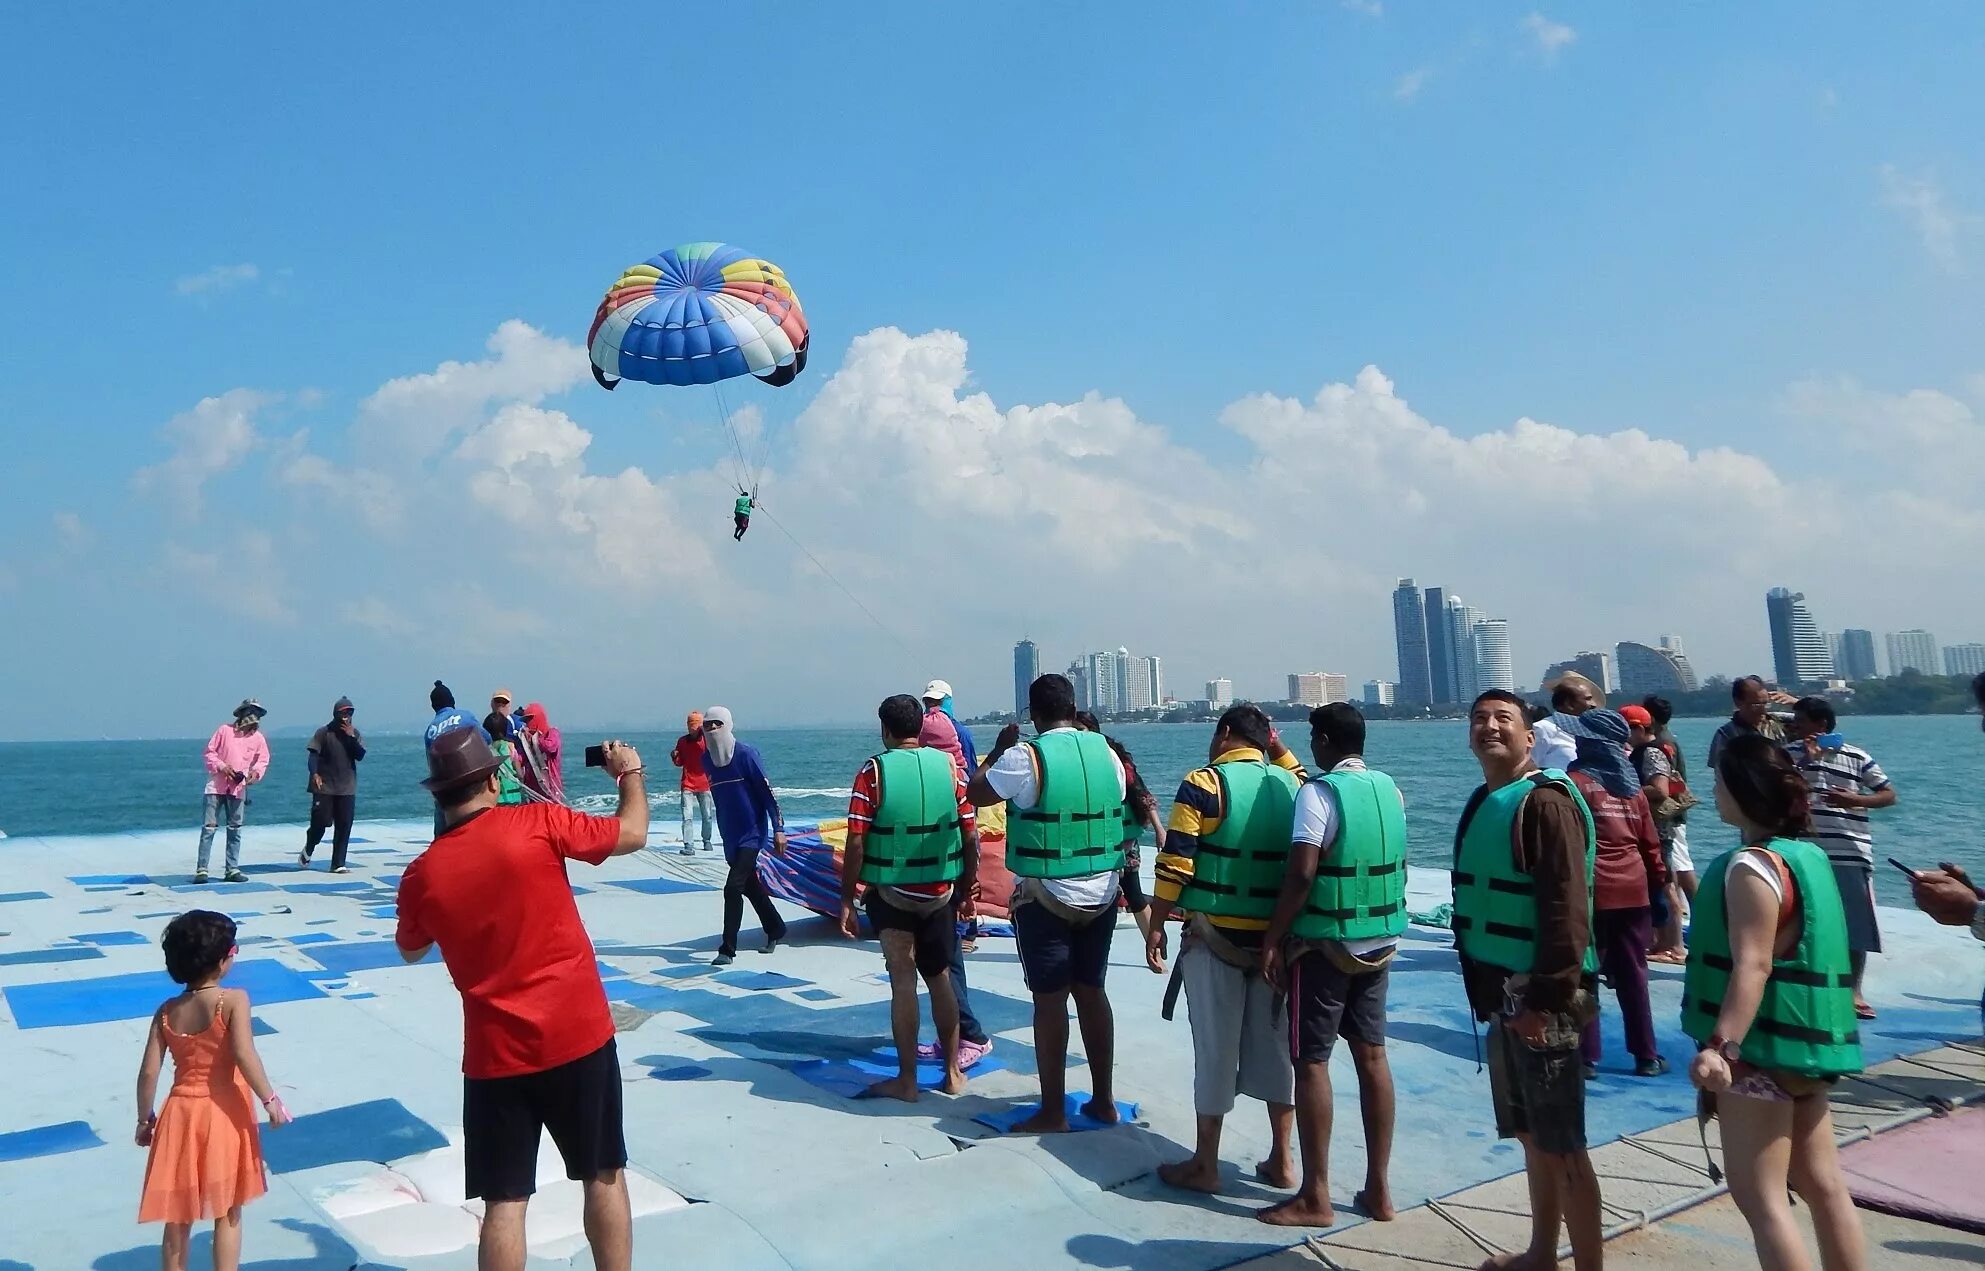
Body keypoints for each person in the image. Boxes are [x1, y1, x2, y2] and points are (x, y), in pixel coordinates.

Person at [394, 729, 651, 1271]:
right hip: (576, 1032)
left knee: (505, 1203)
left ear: (438, 794)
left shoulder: (422, 874)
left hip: (493, 1055)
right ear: (493, 778)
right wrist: (629, 773)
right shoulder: (537, 824)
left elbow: (411, 947)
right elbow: (632, 832)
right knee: (602, 1173)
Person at [1682, 734, 1865, 1271]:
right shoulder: (1807, 856)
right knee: (1824, 1185)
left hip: (1759, 1057)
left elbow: (1753, 965)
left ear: (1743, 791)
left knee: (1762, 1200)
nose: (1712, 791)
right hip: (1808, 1057)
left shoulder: (1750, 868)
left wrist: (1722, 1048)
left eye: (1719, 781)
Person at [1452, 689, 1604, 1271]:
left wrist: (1546, 999)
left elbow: (1567, 912)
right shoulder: (1483, 801)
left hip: (1544, 1000)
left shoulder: (1545, 804)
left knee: (1564, 1146)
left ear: (1529, 736)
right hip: (1504, 994)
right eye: (1479, 720)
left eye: (1503, 719)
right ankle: (1543, 1254)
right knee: (1532, 1137)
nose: (1489, 728)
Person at [1146, 704, 1305, 1193]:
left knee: (1215, 1048)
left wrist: (1156, 922)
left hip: (1215, 935)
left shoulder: (1204, 783)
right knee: (1276, 1049)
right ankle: (1282, 1159)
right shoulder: (1294, 787)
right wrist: (1278, 749)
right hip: (1275, 944)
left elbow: (1177, 861)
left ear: (1225, 734)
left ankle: (1206, 1163)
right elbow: (1302, 776)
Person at [1259, 702, 1406, 1228]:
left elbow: (1301, 874)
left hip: (1326, 947)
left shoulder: (1317, 794)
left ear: (1322, 740)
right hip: (1381, 943)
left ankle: (1316, 1195)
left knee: (1312, 1061)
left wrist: (1273, 939)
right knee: (1372, 1057)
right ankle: (1379, 1190)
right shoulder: (1390, 790)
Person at [967, 673, 1125, 1134]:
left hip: (1048, 896)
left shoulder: (1025, 756)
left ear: (1033, 715)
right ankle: (1104, 1101)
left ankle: (1054, 1111)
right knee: (1092, 991)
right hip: (1103, 892)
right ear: (1074, 710)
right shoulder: (1107, 753)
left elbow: (977, 793)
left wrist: (997, 750)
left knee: (1050, 1000)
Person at [837, 693, 981, 1100]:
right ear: (919, 728)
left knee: (903, 982)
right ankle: (952, 1073)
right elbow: (969, 833)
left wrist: (847, 899)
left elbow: (856, 843)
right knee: (940, 980)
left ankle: (907, 1081)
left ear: (885, 729)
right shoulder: (950, 769)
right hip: (942, 893)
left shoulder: (873, 772)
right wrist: (969, 886)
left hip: (893, 895)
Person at [135, 910, 291, 1270]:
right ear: (222, 961)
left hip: (179, 1113)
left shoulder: (166, 1012)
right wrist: (270, 1099)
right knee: (228, 1208)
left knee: (177, 1214)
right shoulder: (233, 1000)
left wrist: (145, 1119)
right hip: (223, 1112)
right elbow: (244, 1053)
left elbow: (148, 1072)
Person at [1563, 709, 1669, 1078]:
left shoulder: (1573, 784)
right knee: (1634, 977)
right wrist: (1659, 897)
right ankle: (1646, 1055)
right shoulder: (1634, 791)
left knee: (1585, 974)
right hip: (1634, 893)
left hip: (1592, 895)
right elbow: (1651, 848)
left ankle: (1586, 1056)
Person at [1783, 697, 1896, 1021]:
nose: (1795, 725)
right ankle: (1808, 986)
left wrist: (1855, 799)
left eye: (1801, 720)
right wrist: (1806, 760)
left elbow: (1889, 794)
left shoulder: (1857, 756)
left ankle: (1853, 991)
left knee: (1855, 926)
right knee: (1802, 923)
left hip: (1849, 850)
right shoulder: (1790, 756)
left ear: (1821, 725)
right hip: (1805, 852)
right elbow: (1780, 791)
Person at [700, 707, 789, 966]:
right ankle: (776, 928)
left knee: (732, 888)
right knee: (749, 886)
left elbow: (768, 795)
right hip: (729, 833)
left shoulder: (746, 755)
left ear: (728, 725)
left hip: (752, 833)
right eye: (708, 725)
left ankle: (727, 949)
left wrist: (778, 829)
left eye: (718, 723)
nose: (713, 729)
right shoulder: (707, 761)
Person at [1076, 711, 1162, 943]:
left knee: (1133, 893)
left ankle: (1154, 947)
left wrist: (1159, 830)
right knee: (1095, 894)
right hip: (1093, 838)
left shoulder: (1115, 757)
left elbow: (1141, 793)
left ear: (1094, 730)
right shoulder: (1073, 760)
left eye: (1082, 730)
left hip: (1123, 838)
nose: (1078, 736)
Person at [1635, 697, 1698, 963]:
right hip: (1669, 820)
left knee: (1671, 879)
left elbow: (1660, 789)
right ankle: (1671, 938)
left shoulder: (1656, 748)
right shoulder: (1664, 741)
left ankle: (1675, 943)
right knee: (1671, 877)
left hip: (1665, 821)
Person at [196, 700, 270, 885]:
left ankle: (232, 869)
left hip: (239, 787)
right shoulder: (224, 731)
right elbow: (209, 753)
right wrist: (222, 767)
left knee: (235, 828)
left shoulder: (258, 738)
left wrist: (256, 774)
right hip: (216, 786)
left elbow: (263, 760)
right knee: (209, 827)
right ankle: (202, 869)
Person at [301, 698, 365, 873]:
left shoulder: (355, 734)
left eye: (349, 713)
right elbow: (313, 756)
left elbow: (360, 755)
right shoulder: (324, 733)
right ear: (336, 714)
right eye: (343, 713)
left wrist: (351, 737)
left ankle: (338, 863)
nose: (346, 716)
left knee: (344, 825)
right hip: (324, 786)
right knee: (321, 823)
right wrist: (314, 773)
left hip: (346, 787)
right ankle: (309, 846)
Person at [1706, 675, 1790, 775]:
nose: (1763, 710)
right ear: (1738, 703)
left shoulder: (1778, 722)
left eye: (1766, 704)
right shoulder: (1726, 734)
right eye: (1756, 705)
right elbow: (1720, 771)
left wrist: (1795, 702)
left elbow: (1810, 718)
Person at [670, 711, 716, 856]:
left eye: (696, 725)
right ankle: (689, 844)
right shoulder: (682, 741)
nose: (693, 729)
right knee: (687, 816)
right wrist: (675, 757)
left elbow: (715, 757)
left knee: (707, 815)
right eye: (690, 726)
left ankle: (706, 840)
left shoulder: (707, 740)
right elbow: (680, 762)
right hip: (688, 783)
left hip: (705, 783)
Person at [1532, 674, 1599, 770]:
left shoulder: (1591, 731)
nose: (1594, 705)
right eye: (1588, 699)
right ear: (1569, 704)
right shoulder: (1543, 729)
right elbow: (1529, 766)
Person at [519, 702, 564, 802]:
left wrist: (535, 740)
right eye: (526, 721)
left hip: (551, 787)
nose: (528, 723)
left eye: (530, 719)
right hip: (533, 788)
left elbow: (550, 746)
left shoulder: (552, 733)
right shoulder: (528, 740)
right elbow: (522, 758)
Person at [917, 679, 967, 768]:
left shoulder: (961, 733)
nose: (931, 705)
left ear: (948, 701)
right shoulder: (918, 728)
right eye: (927, 701)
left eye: (936, 701)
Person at [484, 712, 528, 806]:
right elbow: (520, 774)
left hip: (497, 799)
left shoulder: (486, 750)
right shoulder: (510, 747)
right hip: (515, 797)